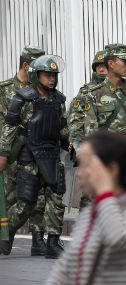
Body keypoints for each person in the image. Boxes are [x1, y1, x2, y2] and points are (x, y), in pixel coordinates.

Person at [45, 131, 126, 285]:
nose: (79, 173)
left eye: (86, 165)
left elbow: (118, 239)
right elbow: (67, 267)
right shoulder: (90, 213)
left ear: (111, 170)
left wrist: (106, 193)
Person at [0, 55, 69, 259]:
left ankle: (53, 243)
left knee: (56, 197)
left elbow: (63, 127)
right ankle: (7, 231)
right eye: (47, 75)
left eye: (54, 76)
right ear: (36, 75)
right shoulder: (22, 98)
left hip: (52, 154)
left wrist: (72, 143)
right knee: (26, 203)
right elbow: (9, 128)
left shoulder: (59, 100)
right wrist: (3, 153)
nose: (51, 80)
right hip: (29, 154)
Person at [0, 46, 50, 256]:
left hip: (36, 148)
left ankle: (38, 238)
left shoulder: (42, 89)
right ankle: (5, 235)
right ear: (27, 65)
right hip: (13, 149)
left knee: (37, 193)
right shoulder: (5, 89)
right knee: (11, 194)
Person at [69, 48, 108, 209]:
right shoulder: (85, 91)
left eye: (104, 65)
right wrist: (74, 141)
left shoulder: (122, 89)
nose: (101, 69)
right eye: (98, 65)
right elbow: (74, 118)